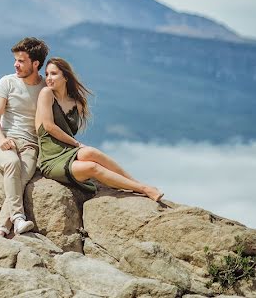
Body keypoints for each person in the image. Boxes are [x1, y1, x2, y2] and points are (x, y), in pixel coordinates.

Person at [35, 57, 163, 201]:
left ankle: (137, 184)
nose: (48, 78)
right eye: (47, 74)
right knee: (92, 167)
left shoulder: (76, 104)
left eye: (53, 73)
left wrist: (76, 146)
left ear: (65, 76)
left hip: (68, 152)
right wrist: (77, 144)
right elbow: (49, 126)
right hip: (51, 160)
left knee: (91, 152)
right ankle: (143, 189)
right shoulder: (46, 94)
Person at [0, 37, 49, 237]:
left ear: (36, 63)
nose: (16, 64)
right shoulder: (7, 82)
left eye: (21, 61)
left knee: (20, 179)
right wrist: (1, 138)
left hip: (31, 145)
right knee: (12, 164)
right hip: (5, 140)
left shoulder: (45, 88)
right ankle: (18, 219)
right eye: (16, 59)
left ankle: (1, 229)